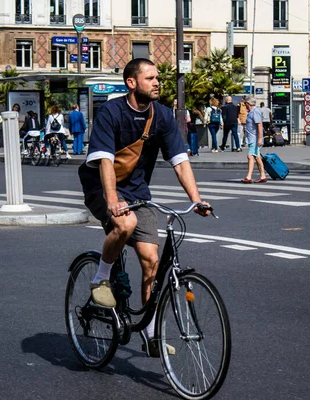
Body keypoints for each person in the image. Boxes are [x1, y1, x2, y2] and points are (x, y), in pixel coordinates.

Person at [78, 58, 211, 357]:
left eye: (158, 77)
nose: (157, 82)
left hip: (137, 191)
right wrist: (112, 201)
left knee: (151, 259)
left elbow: (180, 161)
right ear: (131, 82)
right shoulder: (111, 112)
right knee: (124, 224)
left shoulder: (162, 115)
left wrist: (196, 199)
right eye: (150, 78)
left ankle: (151, 333)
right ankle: (100, 277)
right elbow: (105, 161)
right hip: (101, 185)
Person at [240, 97, 267, 183]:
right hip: (252, 138)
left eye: (245, 104)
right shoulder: (251, 112)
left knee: (250, 156)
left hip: (254, 139)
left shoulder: (255, 112)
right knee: (257, 157)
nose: (245, 106)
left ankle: (249, 177)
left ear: (248, 103)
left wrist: (259, 139)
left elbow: (259, 126)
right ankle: (262, 176)